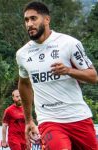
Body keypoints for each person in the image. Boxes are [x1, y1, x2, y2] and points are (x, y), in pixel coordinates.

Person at [16, 1, 98, 150]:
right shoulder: (22, 54)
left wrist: (68, 71)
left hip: (79, 117)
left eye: (33, 18)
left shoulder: (70, 44)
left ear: (47, 19)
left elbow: (93, 77)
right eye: (26, 20)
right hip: (49, 120)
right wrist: (28, 120)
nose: (29, 24)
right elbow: (24, 84)